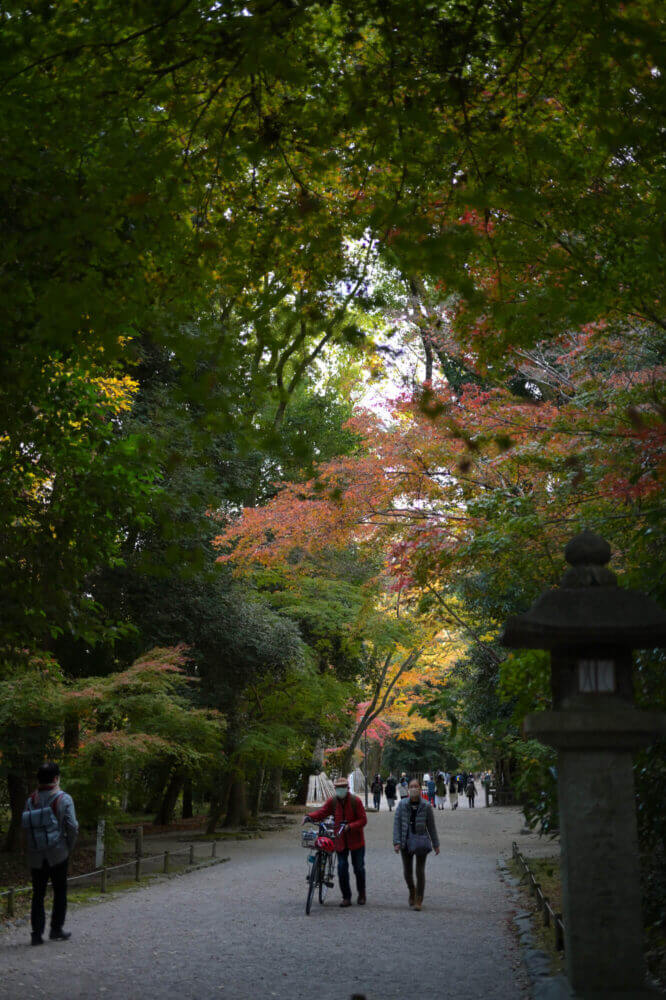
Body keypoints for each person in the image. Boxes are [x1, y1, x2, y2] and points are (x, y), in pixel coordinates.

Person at [22, 762, 78, 945]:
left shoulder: (31, 800)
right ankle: (56, 929)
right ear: (56, 778)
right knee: (60, 890)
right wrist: (69, 847)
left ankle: (36, 934)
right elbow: (72, 827)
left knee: (38, 893)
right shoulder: (64, 799)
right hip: (58, 852)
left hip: (36, 855)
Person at [304, 776, 367, 907]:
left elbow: (363, 820)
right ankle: (346, 897)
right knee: (341, 868)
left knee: (359, 868)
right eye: (338, 788)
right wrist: (309, 817)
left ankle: (362, 893)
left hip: (356, 840)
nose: (340, 790)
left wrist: (351, 826)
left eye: (343, 787)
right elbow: (322, 812)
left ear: (347, 788)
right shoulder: (333, 802)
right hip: (340, 840)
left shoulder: (356, 801)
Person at [393, 777, 440, 910]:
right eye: (411, 786)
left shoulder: (426, 806)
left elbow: (431, 826)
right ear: (408, 789)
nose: (414, 788)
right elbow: (396, 824)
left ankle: (419, 898)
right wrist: (396, 842)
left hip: (421, 841)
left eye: (416, 786)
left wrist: (436, 844)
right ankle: (412, 890)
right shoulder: (402, 805)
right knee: (407, 871)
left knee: (420, 871)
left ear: (420, 789)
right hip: (405, 841)